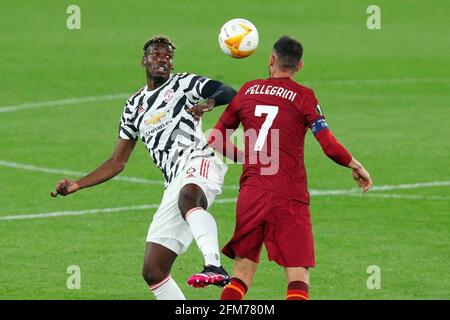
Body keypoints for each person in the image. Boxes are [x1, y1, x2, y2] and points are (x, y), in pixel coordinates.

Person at [50, 35, 237, 299]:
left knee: (189, 195)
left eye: (167, 57)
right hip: (173, 179)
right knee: (153, 270)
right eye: (156, 55)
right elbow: (118, 161)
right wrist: (79, 183)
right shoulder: (133, 106)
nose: (162, 60)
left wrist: (207, 103)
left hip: (200, 159)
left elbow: (228, 91)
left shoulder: (183, 83)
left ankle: (213, 265)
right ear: (144, 60)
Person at [207, 35, 372, 300]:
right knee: (297, 276)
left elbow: (214, 138)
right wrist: (355, 164)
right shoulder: (304, 96)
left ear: (271, 59)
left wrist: (247, 157)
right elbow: (328, 144)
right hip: (289, 196)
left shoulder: (248, 90)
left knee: (241, 273)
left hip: (252, 193)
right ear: (300, 66)